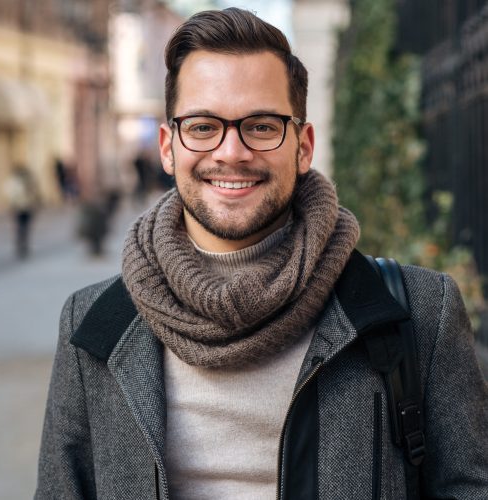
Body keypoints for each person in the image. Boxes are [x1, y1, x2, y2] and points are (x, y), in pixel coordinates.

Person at [35, 8, 488, 500]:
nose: (231, 152)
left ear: (303, 145)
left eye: (262, 125)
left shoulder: (418, 313)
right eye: (204, 126)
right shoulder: (94, 325)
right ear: (168, 147)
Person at [4, 164, 40, 258]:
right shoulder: (14, 181)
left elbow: (34, 192)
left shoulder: (27, 180)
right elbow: (11, 194)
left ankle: (23, 245)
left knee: (25, 227)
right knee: (21, 227)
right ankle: (21, 246)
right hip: (19, 207)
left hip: (26, 206)